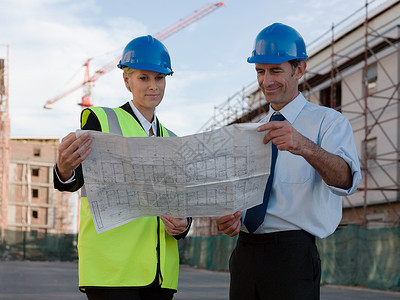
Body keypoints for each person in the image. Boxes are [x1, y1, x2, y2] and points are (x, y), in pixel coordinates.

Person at [216, 23, 361, 300]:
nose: (266, 81)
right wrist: (231, 218)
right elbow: (240, 197)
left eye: (276, 70)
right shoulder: (252, 132)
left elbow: (346, 180)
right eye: (260, 71)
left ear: (300, 69)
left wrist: (304, 145)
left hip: (292, 257)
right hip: (244, 254)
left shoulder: (328, 122)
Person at [53, 35, 191, 300]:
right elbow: (72, 180)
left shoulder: (173, 140)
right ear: (127, 80)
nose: (153, 86)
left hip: (160, 277)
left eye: (160, 78)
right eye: (144, 78)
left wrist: (183, 225)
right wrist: (63, 168)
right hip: (112, 273)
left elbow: (182, 203)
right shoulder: (101, 120)